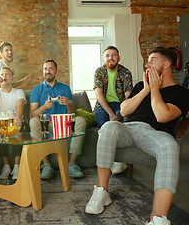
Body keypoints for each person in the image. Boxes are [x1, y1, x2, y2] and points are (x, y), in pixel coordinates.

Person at [85, 47, 189, 225]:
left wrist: (156, 89)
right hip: (129, 129)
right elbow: (124, 110)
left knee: (170, 146)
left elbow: (162, 116)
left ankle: (158, 218)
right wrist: (147, 89)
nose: (147, 64)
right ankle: (102, 192)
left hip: (155, 134)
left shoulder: (182, 93)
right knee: (109, 126)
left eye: (153, 60)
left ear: (167, 64)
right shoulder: (141, 86)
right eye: (148, 60)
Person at [29, 59, 87, 179]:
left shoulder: (65, 88)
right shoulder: (37, 90)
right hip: (46, 123)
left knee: (81, 120)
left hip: (63, 123)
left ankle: (72, 163)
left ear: (56, 71)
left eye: (51, 68)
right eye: (45, 69)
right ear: (43, 71)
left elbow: (72, 113)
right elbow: (32, 115)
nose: (48, 71)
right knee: (33, 122)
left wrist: (67, 104)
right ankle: (46, 165)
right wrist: (44, 106)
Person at [93, 45, 133, 175]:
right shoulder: (99, 72)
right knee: (103, 122)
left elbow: (128, 95)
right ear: (103, 59)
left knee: (120, 122)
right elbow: (99, 94)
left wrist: (125, 110)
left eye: (114, 55)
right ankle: (110, 161)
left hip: (121, 104)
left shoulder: (126, 72)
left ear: (119, 58)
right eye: (107, 56)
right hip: (103, 105)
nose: (111, 58)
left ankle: (118, 161)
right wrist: (110, 113)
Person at [0, 67, 26, 180]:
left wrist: (17, 118)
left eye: (7, 74)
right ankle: (6, 166)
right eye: (2, 74)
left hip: (14, 122)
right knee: (0, 132)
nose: (4, 76)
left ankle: (17, 166)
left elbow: (20, 105)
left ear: (12, 78)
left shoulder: (19, 92)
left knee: (17, 132)